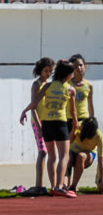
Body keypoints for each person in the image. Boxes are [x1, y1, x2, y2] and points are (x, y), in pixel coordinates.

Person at [20, 59, 78, 197]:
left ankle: (53, 186)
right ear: (68, 75)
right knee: (64, 155)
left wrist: (24, 111)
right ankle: (59, 186)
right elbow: (73, 110)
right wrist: (75, 123)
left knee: (51, 155)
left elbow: (34, 103)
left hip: (46, 123)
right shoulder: (70, 89)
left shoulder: (48, 86)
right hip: (60, 123)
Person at [20, 57, 53, 197]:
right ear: (40, 71)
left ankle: (42, 184)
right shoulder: (36, 84)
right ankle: (39, 184)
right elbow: (34, 105)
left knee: (48, 152)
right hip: (37, 121)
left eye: (51, 71)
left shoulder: (50, 85)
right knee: (43, 151)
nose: (49, 73)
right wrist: (39, 125)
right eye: (46, 71)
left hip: (48, 121)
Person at [66, 116, 99, 192]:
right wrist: (74, 129)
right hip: (73, 152)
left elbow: (101, 159)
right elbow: (68, 142)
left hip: (87, 156)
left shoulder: (98, 135)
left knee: (81, 156)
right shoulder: (79, 126)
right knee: (66, 157)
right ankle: (64, 185)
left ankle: (73, 186)